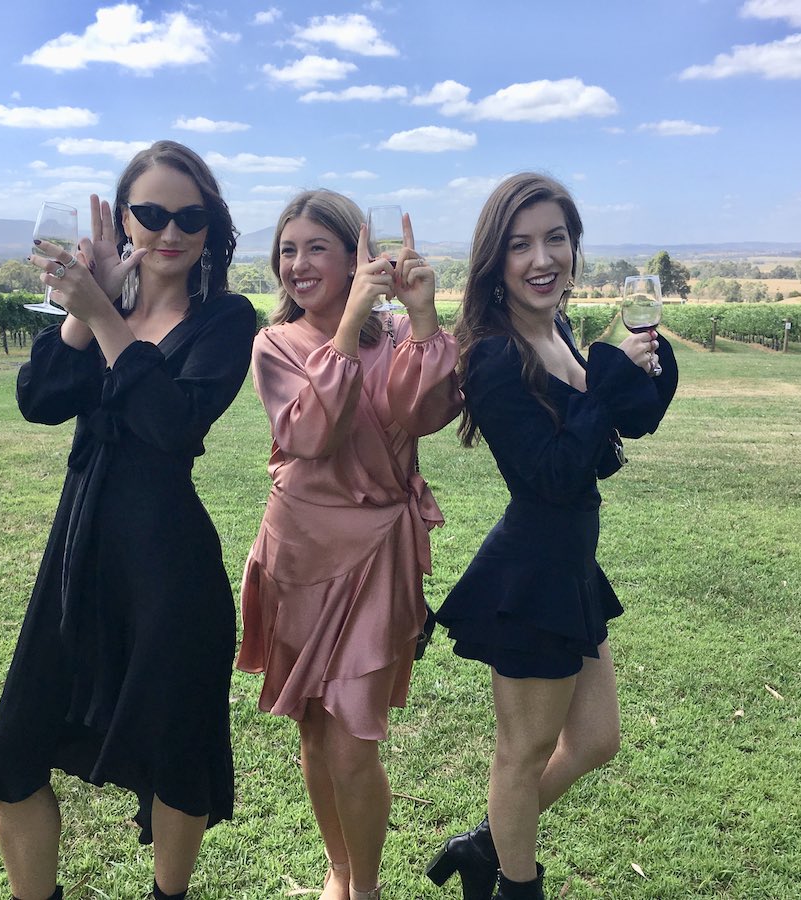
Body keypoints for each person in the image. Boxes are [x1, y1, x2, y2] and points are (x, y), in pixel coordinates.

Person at [0, 140, 257, 900]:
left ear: (212, 226)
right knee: (14, 759)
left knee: (176, 759)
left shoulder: (225, 319)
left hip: (168, 568)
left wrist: (99, 311)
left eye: (190, 215)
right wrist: (86, 311)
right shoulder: (107, 311)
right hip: (77, 557)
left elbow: (172, 427)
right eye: (152, 213)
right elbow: (39, 400)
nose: (170, 231)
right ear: (124, 219)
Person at [427, 174, 677, 900]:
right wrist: (606, 381)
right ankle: (515, 882)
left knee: (595, 740)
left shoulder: (557, 331)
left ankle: (485, 846)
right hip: (531, 575)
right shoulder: (494, 355)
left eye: (555, 239)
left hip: (569, 567)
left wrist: (644, 371)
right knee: (523, 751)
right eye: (520, 245)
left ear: (574, 246)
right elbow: (553, 475)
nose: (542, 259)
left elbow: (612, 437)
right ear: (495, 261)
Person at [236, 190, 463, 900]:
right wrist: (348, 326)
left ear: (355, 256)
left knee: (354, 743)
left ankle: (363, 888)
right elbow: (310, 432)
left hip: (375, 563)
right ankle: (339, 869)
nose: (298, 264)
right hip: (299, 554)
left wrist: (421, 316)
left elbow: (423, 413)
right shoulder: (275, 343)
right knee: (312, 730)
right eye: (287, 250)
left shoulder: (396, 335)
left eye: (316, 248)